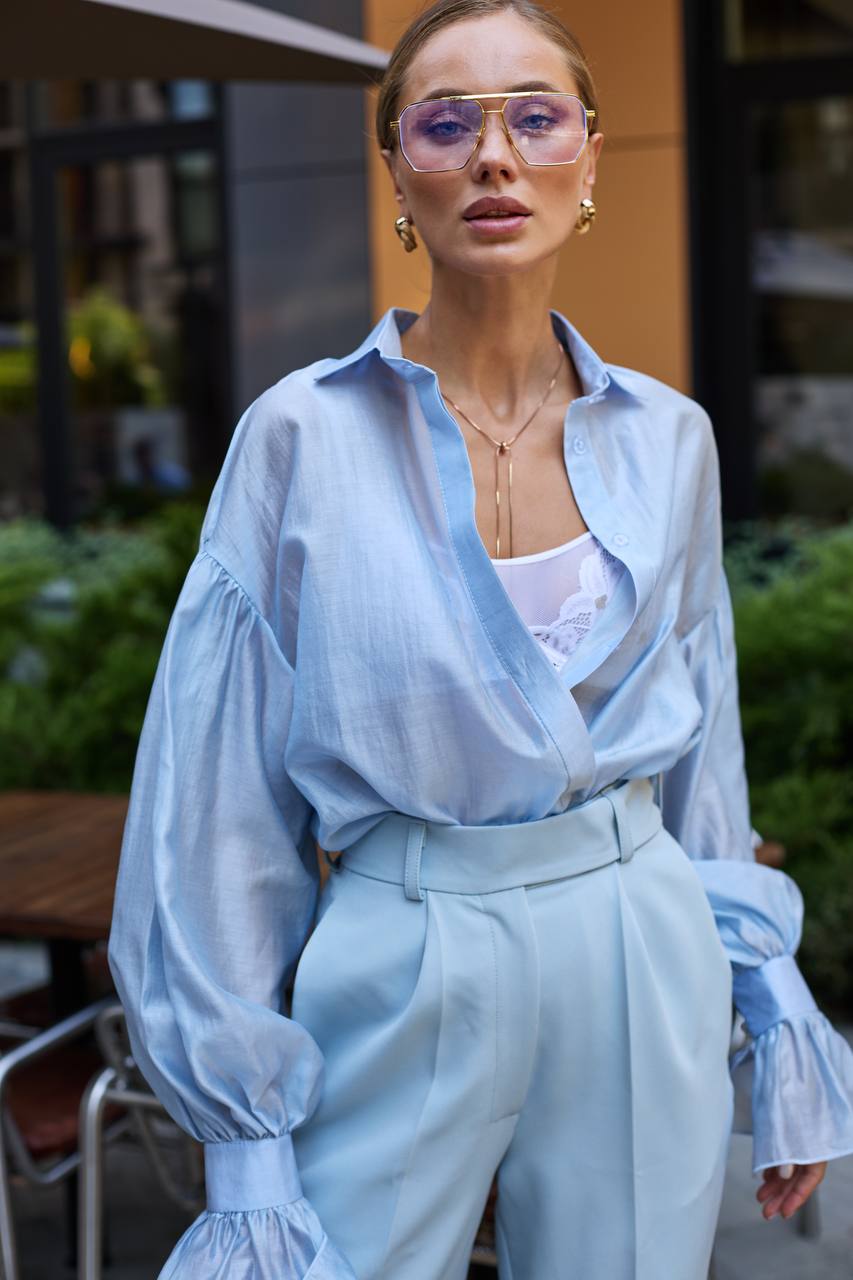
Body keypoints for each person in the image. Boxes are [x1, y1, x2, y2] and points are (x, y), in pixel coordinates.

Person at [107, 3, 853, 1278]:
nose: (494, 156)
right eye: (446, 123)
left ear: (590, 155)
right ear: (399, 169)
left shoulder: (670, 437)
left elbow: (698, 741)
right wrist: (243, 1141)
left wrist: (766, 991)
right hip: (403, 939)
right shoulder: (299, 438)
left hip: (639, 929)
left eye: (535, 115)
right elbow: (218, 799)